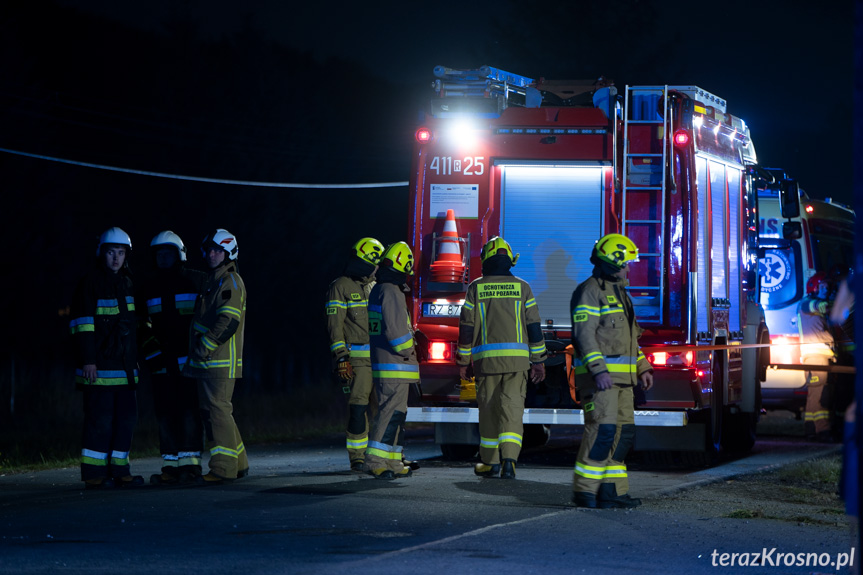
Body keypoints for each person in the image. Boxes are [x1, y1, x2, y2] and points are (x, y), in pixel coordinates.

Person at [569, 233, 653, 508]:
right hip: (601, 381)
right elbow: (585, 335)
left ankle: (612, 492)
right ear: (613, 262)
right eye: (626, 263)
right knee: (601, 432)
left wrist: (642, 367)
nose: (629, 268)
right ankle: (585, 492)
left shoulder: (621, 293)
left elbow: (629, 340)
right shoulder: (590, 291)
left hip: (624, 381)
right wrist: (598, 370)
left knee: (623, 434)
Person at [456, 237, 547, 480]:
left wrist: (463, 361)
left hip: (486, 363)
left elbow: (466, 326)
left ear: (485, 260)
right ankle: (510, 462)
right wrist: (538, 360)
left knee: (488, 411)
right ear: (509, 260)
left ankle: (490, 462)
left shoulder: (475, 288)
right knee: (512, 411)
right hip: (518, 363)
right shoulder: (523, 287)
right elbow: (534, 327)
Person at [69, 227, 144, 490]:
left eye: (121, 253)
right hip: (98, 370)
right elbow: (82, 325)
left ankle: (120, 471)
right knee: (99, 422)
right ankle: (94, 474)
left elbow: (131, 329)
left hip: (124, 371)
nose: (116, 258)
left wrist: (134, 359)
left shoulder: (128, 283)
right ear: (101, 253)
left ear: (126, 256)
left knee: (125, 422)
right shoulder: (89, 282)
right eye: (111, 252)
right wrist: (88, 360)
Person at [183, 228, 249, 485]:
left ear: (228, 253)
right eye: (209, 250)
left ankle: (223, 468)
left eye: (218, 250)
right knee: (220, 411)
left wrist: (204, 347)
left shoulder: (229, 282)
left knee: (217, 412)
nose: (212, 254)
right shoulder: (216, 280)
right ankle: (239, 463)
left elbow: (229, 321)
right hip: (211, 361)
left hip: (217, 361)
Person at [140, 231, 207, 485]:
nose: (164, 258)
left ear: (179, 255)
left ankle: (190, 467)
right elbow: (140, 325)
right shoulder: (147, 287)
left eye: (169, 253)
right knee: (166, 414)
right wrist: (153, 353)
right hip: (161, 364)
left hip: (190, 363)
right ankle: (170, 466)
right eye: (160, 254)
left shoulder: (197, 281)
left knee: (190, 413)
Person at [325, 237, 384, 472]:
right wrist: (341, 357)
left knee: (383, 408)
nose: (379, 266)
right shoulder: (340, 286)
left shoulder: (378, 286)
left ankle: (380, 455)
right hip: (356, 361)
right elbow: (334, 326)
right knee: (358, 407)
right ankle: (357, 456)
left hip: (381, 361)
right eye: (376, 262)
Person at [365, 241, 419, 480]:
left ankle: (393, 462)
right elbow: (397, 334)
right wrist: (412, 347)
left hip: (389, 365)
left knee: (396, 416)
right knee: (388, 415)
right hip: (395, 365)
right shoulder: (391, 292)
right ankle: (376, 461)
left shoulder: (379, 289)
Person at [798, 271, 835, 441]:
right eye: (823, 286)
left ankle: (811, 427)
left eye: (828, 287)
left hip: (815, 357)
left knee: (815, 393)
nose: (826, 290)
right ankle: (823, 430)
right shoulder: (808, 303)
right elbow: (820, 307)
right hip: (816, 358)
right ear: (814, 287)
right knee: (820, 394)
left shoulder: (812, 303)